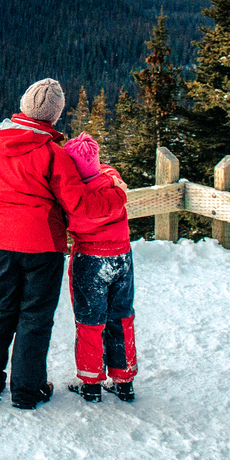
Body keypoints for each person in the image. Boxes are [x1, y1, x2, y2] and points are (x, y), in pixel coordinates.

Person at [0, 77, 113, 409]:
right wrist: (114, 196)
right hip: (44, 244)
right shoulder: (53, 153)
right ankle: (27, 391)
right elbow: (78, 203)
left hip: (3, 240)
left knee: (0, 310)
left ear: (24, 107)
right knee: (36, 316)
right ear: (54, 117)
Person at [61, 132, 134, 401]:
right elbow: (108, 172)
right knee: (122, 316)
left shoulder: (71, 196)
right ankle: (124, 380)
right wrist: (105, 173)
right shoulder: (113, 185)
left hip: (89, 261)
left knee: (90, 321)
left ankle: (90, 383)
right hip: (121, 257)